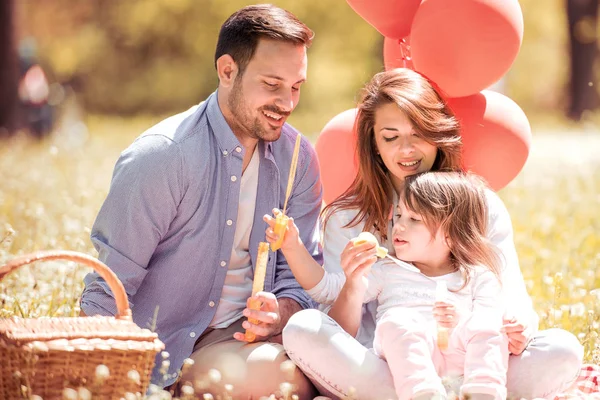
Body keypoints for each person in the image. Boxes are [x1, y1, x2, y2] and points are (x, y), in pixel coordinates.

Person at [282, 68, 583, 400]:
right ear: (374, 144)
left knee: (563, 349)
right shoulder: (348, 218)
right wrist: (352, 282)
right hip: (384, 369)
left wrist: (519, 328)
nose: (406, 149)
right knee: (303, 328)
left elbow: (508, 292)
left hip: (475, 363)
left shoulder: (479, 204)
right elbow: (340, 328)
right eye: (390, 136)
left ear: (437, 132)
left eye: (418, 133)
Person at [80, 5, 321, 399]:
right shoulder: (164, 156)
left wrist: (279, 312)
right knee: (283, 381)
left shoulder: (297, 159)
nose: (287, 102)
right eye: (272, 84)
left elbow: (299, 284)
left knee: (316, 366)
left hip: (245, 343)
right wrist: (101, 377)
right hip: (165, 347)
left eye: (296, 86)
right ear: (228, 71)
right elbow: (110, 285)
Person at [266, 171, 509, 399]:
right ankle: (423, 394)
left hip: (460, 360)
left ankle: (483, 392)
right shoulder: (388, 270)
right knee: (397, 320)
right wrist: (292, 247)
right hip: (403, 366)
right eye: (400, 215)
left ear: (452, 234)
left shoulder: (478, 275)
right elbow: (325, 288)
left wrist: (460, 319)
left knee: (486, 324)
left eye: (414, 219)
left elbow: (491, 324)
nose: (400, 226)